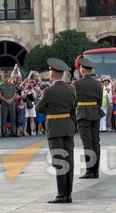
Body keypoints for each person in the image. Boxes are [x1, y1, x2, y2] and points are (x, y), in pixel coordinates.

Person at [35, 58, 76, 203]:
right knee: (69, 160)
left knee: (59, 161)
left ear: (52, 73)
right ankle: (68, 193)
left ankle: (61, 194)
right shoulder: (71, 89)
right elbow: (73, 109)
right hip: (67, 126)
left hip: (54, 127)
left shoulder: (49, 91)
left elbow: (38, 108)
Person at [73, 58, 104, 179]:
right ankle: (95, 170)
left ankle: (90, 170)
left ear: (82, 70)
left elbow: (74, 101)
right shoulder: (98, 84)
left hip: (83, 113)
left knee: (87, 142)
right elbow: (100, 100)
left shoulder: (77, 84)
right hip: (95, 112)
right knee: (96, 141)